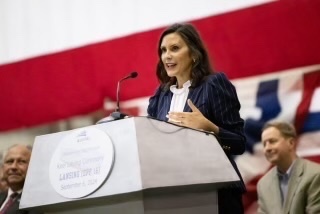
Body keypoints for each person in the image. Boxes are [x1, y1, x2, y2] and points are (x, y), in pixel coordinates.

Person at [147, 23, 246, 214]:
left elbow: (239, 143)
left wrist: (210, 129)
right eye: (163, 50)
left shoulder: (214, 85)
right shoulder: (160, 96)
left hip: (216, 192)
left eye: (175, 49)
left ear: (193, 54)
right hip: (175, 193)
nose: (167, 55)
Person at [257, 121, 320, 214]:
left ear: (291, 143)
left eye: (272, 141)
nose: (267, 148)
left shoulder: (315, 175)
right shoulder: (263, 185)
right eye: (264, 144)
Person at [0, 144, 42, 214]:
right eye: (9, 161)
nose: (13, 167)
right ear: (2, 167)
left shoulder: (38, 202)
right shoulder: (1, 196)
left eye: (21, 161)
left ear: (34, 166)